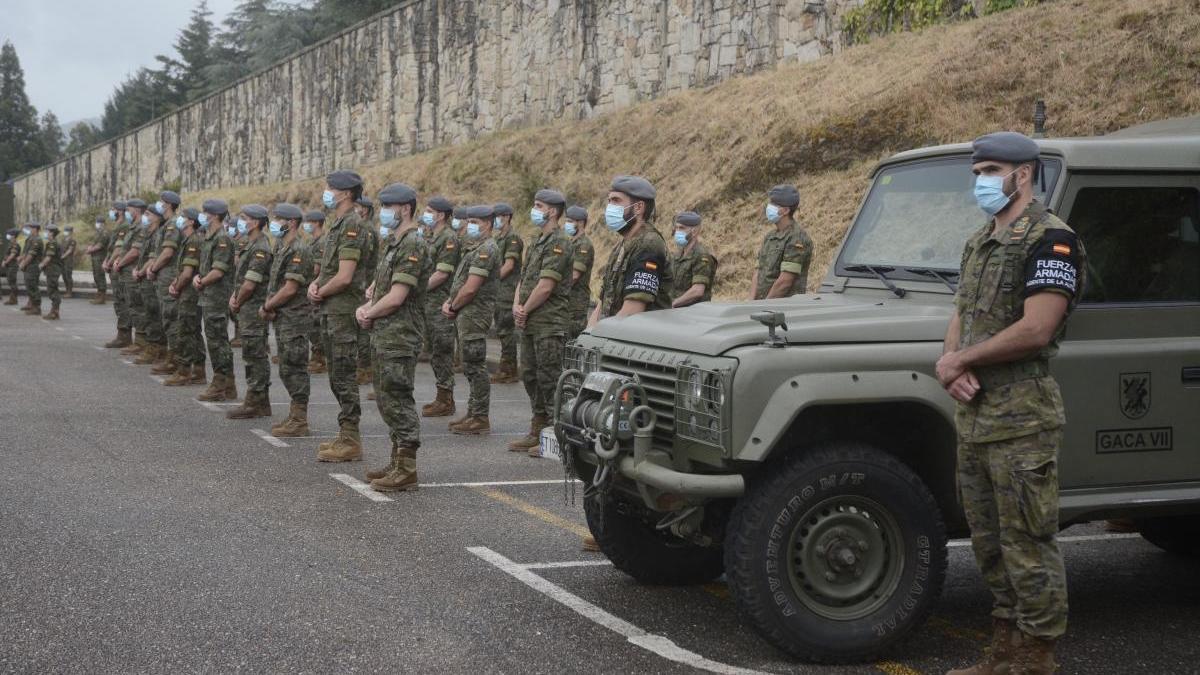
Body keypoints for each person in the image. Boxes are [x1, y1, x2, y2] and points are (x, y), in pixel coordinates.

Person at [938, 132, 1085, 675]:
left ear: (1022, 175)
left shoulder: (1052, 240)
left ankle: (1036, 658)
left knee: (1028, 541)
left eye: (990, 170)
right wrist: (949, 363)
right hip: (977, 417)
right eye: (976, 171)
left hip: (1022, 420)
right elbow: (962, 311)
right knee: (990, 544)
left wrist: (963, 360)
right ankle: (1003, 655)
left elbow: (1037, 328)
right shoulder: (981, 240)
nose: (980, 181)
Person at [357, 183, 431, 490]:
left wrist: (369, 312)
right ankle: (396, 459)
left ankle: (407, 467)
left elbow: (398, 296)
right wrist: (371, 302)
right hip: (386, 333)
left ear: (405, 209)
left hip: (400, 334)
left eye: (389, 207)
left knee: (398, 397)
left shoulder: (413, 244)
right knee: (387, 397)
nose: (384, 212)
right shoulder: (395, 243)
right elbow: (383, 288)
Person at [309, 170, 370, 462]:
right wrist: (317, 283)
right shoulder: (339, 224)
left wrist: (320, 290)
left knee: (344, 376)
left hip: (343, 311)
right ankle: (345, 434)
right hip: (332, 310)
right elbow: (330, 269)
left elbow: (345, 277)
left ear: (346, 193)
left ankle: (351, 439)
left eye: (330, 188)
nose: (326, 192)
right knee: (336, 375)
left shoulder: (352, 225)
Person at [510, 189, 574, 455]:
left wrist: (524, 309)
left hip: (548, 322)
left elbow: (546, 286)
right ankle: (538, 428)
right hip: (530, 321)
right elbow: (524, 280)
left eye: (539, 206)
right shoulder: (538, 240)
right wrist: (517, 305)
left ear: (553, 211)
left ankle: (559, 437)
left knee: (550, 380)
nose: (534, 210)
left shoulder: (560, 242)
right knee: (530, 376)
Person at [589, 175, 673, 326]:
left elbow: (633, 309)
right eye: (609, 201)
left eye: (616, 200)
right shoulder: (622, 245)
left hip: (636, 341)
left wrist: (600, 334)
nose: (609, 207)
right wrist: (589, 332)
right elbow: (604, 300)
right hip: (613, 336)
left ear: (638, 207)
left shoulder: (649, 244)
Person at [445, 205, 500, 435]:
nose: (469, 226)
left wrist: (453, 305)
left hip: (474, 315)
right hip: (466, 315)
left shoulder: (487, 248)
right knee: (469, 365)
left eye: (475, 222)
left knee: (476, 366)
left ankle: (480, 417)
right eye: (469, 221)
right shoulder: (475, 248)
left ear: (487, 224)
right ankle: (472, 412)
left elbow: (471, 288)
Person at [263, 203, 315, 436]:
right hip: (284, 316)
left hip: (295, 318)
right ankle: (295, 416)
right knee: (286, 367)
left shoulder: (299, 249)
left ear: (292, 223)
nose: (275, 223)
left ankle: (299, 419)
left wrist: (268, 305)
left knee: (295, 367)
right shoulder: (282, 247)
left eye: (279, 219)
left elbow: (290, 288)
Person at [226, 205, 275, 418]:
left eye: (244, 218)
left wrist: (237, 300)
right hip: (247, 308)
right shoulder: (252, 244)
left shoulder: (260, 247)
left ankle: (255, 401)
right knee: (252, 354)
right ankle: (259, 401)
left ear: (255, 222)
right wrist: (235, 297)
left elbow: (250, 284)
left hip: (253, 309)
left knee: (255, 356)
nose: (240, 221)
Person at [194, 199, 238, 402]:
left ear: (213, 215)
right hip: (208, 296)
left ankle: (221, 384)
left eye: (205, 212)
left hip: (216, 297)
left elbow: (218, 271)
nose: (202, 216)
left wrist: (202, 280)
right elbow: (206, 268)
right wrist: (199, 277)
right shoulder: (209, 238)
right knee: (215, 341)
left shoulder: (222, 239)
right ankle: (227, 385)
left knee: (218, 342)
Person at [420, 195, 460, 418]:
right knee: (435, 352)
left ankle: (446, 399)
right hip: (429, 304)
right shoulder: (432, 237)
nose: (426, 214)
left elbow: (442, 274)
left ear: (441, 215)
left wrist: (418, 288)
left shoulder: (448, 238)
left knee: (442, 351)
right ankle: (441, 397)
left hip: (440, 304)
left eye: (429, 211)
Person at [163, 208, 208, 387]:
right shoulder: (189, 239)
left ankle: (184, 371)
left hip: (189, 294)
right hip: (189, 292)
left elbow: (188, 273)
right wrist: (176, 282)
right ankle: (198, 371)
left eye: (183, 217)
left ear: (190, 221)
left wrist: (177, 287)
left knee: (186, 331)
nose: (180, 220)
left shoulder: (193, 241)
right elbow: (183, 269)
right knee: (193, 331)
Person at [751, 184, 812, 300]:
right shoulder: (770, 237)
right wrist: (751, 304)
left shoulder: (797, 238)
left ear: (785, 210)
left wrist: (764, 306)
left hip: (782, 309)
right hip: (761, 307)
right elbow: (758, 272)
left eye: (774, 204)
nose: (768, 207)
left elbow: (785, 282)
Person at [147, 192, 183, 375]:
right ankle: (172, 357)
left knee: (171, 319)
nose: (158, 204)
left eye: (161, 202)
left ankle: (175, 360)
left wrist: (153, 269)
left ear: (168, 204)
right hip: (164, 276)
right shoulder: (166, 225)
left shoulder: (173, 225)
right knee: (166, 318)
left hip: (168, 276)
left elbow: (168, 252)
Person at [490, 202, 522, 384]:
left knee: (506, 331)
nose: (495, 221)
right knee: (502, 331)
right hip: (499, 292)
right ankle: (506, 367)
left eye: (499, 216)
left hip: (507, 291)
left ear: (507, 217)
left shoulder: (513, 238)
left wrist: (491, 280)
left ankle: (509, 370)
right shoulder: (499, 238)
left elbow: (509, 266)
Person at [132, 205, 167, 365]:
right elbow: (142, 256)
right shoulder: (149, 233)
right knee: (149, 312)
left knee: (154, 314)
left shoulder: (158, 234)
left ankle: (156, 348)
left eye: (148, 214)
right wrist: (137, 269)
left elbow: (153, 258)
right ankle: (154, 347)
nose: (145, 217)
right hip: (145, 277)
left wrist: (141, 271)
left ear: (156, 217)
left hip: (150, 278)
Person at [114, 199, 149, 356]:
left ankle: (141, 341)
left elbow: (135, 251)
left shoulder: (141, 227)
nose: (127, 212)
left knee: (137, 306)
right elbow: (124, 248)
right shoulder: (132, 226)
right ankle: (131, 338)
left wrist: (120, 262)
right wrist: (118, 260)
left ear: (137, 210)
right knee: (129, 305)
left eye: (129, 209)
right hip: (126, 271)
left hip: (132, 271)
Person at [353, 195, 379, 387]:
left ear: (366, 210)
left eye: (359, 207)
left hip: (364, 284)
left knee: (363, 329)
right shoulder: (361, 227)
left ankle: (365, 369)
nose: (356, 209)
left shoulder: (367, 229)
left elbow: (365, 257)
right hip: (361, 283)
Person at [669, 211, 717, 307]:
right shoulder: (678, 254)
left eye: (682, 228)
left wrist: (673, 303)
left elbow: (697, 291)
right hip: (677, 311)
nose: (677, 232)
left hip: (694, 313)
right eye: (677, 228)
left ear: (694, 232)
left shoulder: (702, 256)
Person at [102, 202, 132, 347]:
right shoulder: (118, 226)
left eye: (113, 209)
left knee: (121, 302)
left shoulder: (124, 226)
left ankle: (124, 336)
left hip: (118, 268)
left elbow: (119, 248)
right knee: (118, 302)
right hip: (114, 267)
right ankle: (122, 335)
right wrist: (107, 260)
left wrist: (109, 262)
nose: (111, 212)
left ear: (120, 211)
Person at [303, 210, 328, 374]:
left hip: (317, 287)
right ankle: (318, 355)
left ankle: (320, 358)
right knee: (312, 323)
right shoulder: (314, 242)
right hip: (311, 286)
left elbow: (317, 268)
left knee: (315, 323)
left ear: (317, 223)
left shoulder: (322, 242)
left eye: (309, 221)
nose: (306, 224)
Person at [564, 205, 593, 341]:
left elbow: (574, 276)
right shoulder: (571, 243)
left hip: (576, 303)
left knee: (572, 342)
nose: (567, 224)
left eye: (570, 221)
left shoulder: (584, 245)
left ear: (581, 223)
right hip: (567, 300)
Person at [18, 222, 45, 316]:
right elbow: (26, 252)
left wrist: (23, 263)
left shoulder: (37, 240)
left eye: (31, 228)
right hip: (29, 266)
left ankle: (37, 307)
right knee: (29, 285)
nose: (29, 230)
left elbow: (31, 255)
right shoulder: (30, 239)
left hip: (33, 266)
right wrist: (21, 258)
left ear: (35, 229)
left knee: (33, 286)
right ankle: (31, 304)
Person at [40, 224, 63, 320]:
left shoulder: (52, 243)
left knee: (52, 290)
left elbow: (49, 257)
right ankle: (55, 311)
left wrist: (41, 265)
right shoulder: (51, 242)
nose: (45, 233)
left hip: (53, 269)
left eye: (47, 231)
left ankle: (54, 311)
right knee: (52, 289)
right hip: (52, 269)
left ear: (52, 233)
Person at [86, 217, 110, 304]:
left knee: (100, 276)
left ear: (102, 223)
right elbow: (92, 243)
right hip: (95, 257)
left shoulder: (105, 233)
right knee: (96, 276)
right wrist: (89, 247)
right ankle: (99, 294)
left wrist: (89, 250)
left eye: (98, 222)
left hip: (100, 258)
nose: (96, 224)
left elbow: (99, 246)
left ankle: (102, 296)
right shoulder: (98, 233)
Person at [1, 228, 17, 304]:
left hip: (12, 266)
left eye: (9, 234)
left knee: (12, 282)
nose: (8, 236)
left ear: (13, 236)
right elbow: (7, 254)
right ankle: (12, 298)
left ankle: (13, 299)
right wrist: (4, 261)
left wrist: (5, 262)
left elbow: (12, 255)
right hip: (9, 266)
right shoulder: (10, 244)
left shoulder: (15, 245)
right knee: (10, 282)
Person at [60, 225, 77, 298]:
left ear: (71, 232)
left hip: (68, 260)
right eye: (65, 230)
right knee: (64, 275)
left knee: (68, 275)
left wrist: (63, 256)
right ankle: (67, 290)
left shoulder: (72, 240)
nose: (66, 232)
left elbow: (70, 250)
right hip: (63, 260)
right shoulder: (63, 240)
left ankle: (69, 292)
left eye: (67, 231)